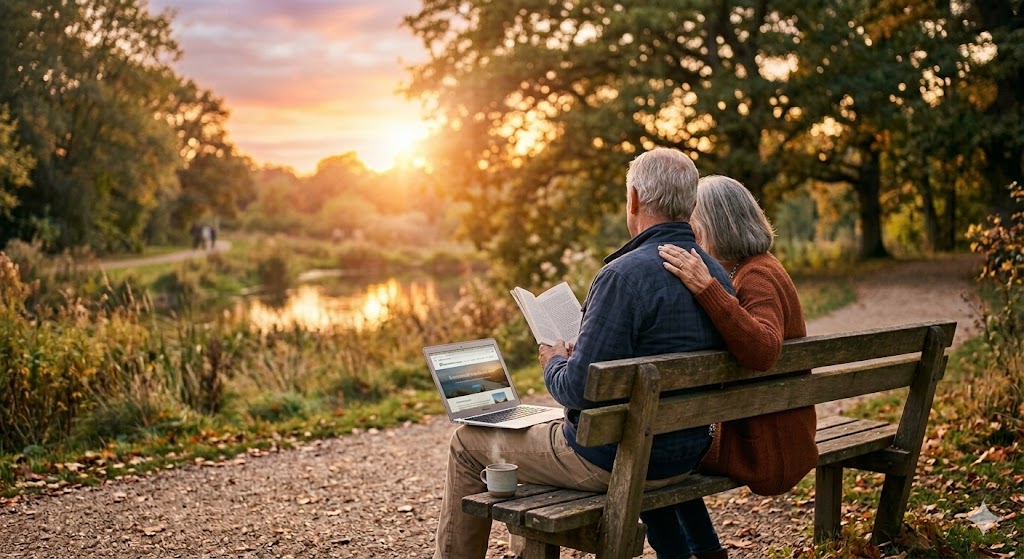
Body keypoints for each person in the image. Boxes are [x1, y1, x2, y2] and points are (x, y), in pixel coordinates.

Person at [432, 147, 733, 559]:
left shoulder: (621, 275)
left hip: (618, 461)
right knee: (531, 439)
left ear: (633, 200)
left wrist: (554, 360)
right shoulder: (714, 274)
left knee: (468, 441)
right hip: (683, 456)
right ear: (691, 203)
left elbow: (577, 390)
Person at [654, 175, 818, 553]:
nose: (689, 234)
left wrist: (706, 288)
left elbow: (763, 349)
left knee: (655, 462)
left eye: (694, 224)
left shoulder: (756, 276)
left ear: (713, 226)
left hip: (767, 448)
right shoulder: (756, 267)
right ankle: (708, 553)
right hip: (778, 430)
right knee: (664, 454)